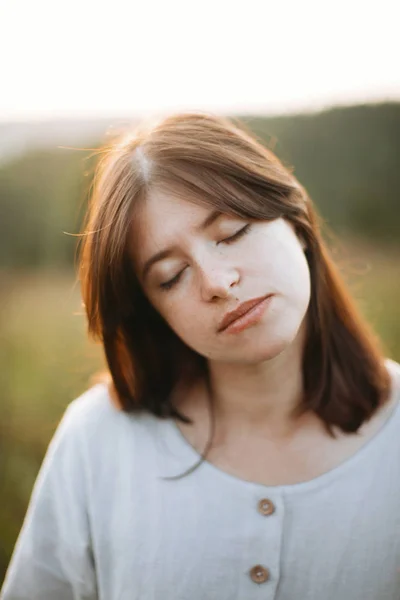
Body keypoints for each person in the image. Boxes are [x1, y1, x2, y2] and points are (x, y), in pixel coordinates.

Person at [1, 112, 399, 600]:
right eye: (171, 276)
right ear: (153, 312)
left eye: (232, 232)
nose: (216, 281)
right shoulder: (98, 443)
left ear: (294, 220)